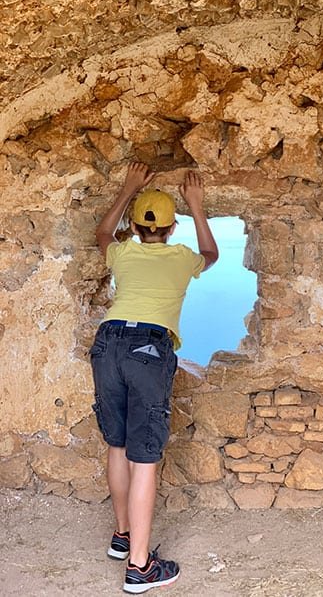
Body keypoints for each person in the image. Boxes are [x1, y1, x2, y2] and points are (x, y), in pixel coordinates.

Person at [90, 162, 218, 594]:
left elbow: (102, 233)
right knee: (144, 457)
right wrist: (196, 205)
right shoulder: (181, 258)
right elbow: (211, 254)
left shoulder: (122, 252)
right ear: (171, 227)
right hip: (148, 348)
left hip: (108, 342)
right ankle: (140, 567)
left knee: (117, 444)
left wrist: (128, 187)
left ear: (134, 226)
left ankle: (122, 536)